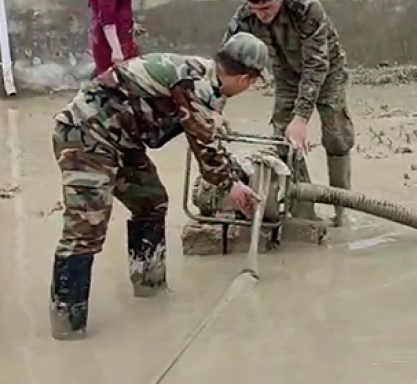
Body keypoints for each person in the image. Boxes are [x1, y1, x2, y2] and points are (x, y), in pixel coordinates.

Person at [49, 33, 268, 341]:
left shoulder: (205, 79)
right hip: (86, 137)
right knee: (85, 229)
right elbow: (204, 147)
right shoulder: (196, 84)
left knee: (151, 202)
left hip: (120, 140)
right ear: (245, 78)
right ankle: (67, 327)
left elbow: (206, 135)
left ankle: (149, 287)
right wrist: (230, 186)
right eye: (254, 83)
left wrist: (224, 161)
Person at [223, 0, 355, 227]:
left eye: (267, 9)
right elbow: (225, 63)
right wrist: (215, 106)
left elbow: (317, 65)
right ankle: (305, 214)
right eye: (256, 10)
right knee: (285, 140)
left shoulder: (307, 9)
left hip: (328, 72)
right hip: (286, 77)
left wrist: (302, 117)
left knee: (336, 136)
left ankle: (343, 211)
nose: (261, 16)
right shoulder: (244, 17)